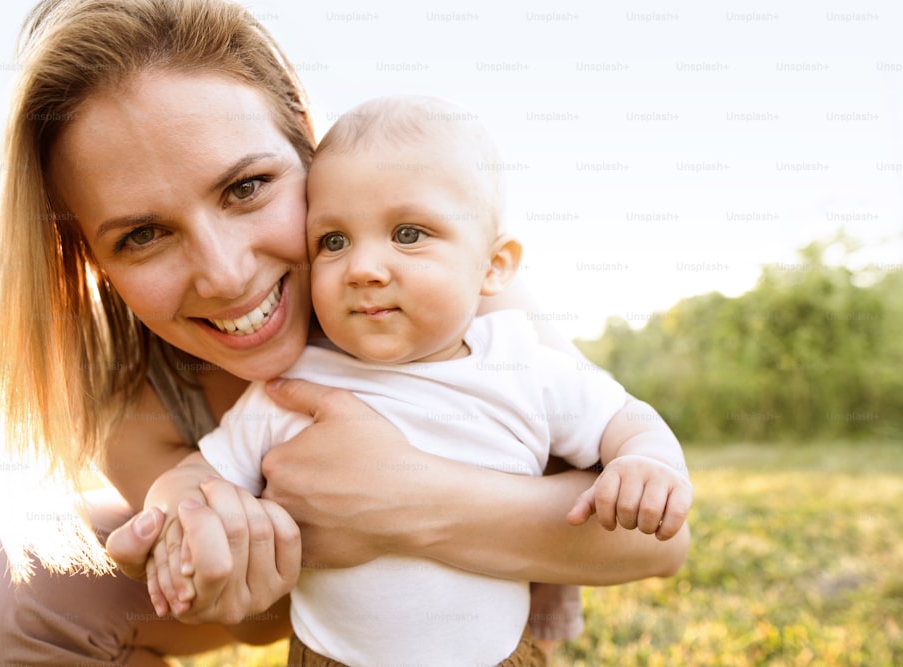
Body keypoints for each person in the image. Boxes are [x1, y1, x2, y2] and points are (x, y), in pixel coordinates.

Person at [0, 1, 690, 664]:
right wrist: (219, 566)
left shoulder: (436, 275)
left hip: (482, 591)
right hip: (316, 611)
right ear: (87, 259)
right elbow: (253, 619)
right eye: (141, 234)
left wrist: (400, 497)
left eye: (247, 187)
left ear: (304, 147)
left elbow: (654, 542)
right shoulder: (114, 370)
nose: (223, 273)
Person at [145, 95, 693, 665]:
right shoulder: (295, 383)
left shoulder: (520, 362)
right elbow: (200, 474)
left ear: (494, 266)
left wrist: (645, 462)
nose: (363, 268)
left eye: (408, 234)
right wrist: (176, 518)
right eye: (333, 241)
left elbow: (625, 420)